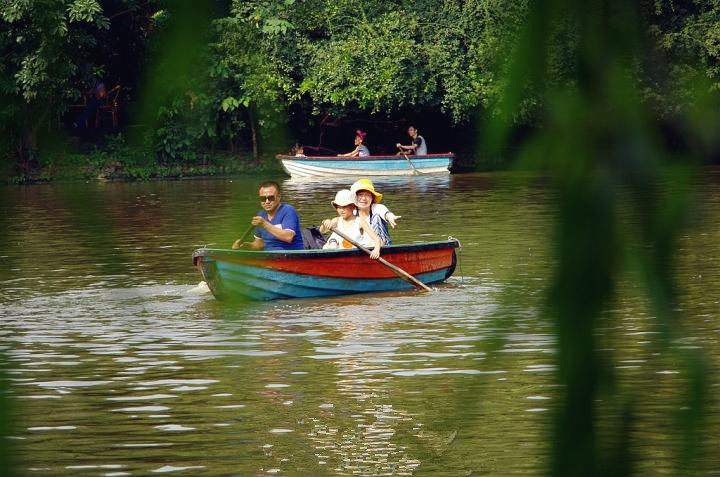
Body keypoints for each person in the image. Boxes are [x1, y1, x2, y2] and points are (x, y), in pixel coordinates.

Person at [232, 181, 304, 250]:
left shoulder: (288, 210)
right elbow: (259, 244)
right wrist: (245, 245)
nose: (267, 202)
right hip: (270, 255)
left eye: (271, 198)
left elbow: (288, 237)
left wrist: (264, 224)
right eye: (263, 198)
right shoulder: (261, 215)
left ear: (279, 197)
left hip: (291, 255)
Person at [319, 189, 382, 259]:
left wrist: (376, 250)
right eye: (339, 207)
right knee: (333, 239)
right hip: (339, 254)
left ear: (353, 207)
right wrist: (325, 223)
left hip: (356, 255)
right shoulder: (336, 220)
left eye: (344, 207)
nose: (341, 210)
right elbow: (322, 231)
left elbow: (376, 238)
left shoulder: (360, 222)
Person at [350, 178, 400, 245]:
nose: (364, 198)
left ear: (372, 198)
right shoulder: (353, 213)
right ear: (355, 197)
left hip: (382, 247)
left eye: (367, 195)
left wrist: (390, 217)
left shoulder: (377, 208)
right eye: (360, 195)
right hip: (362, 247)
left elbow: (385, 213)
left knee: (377, 217)